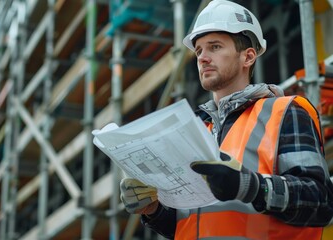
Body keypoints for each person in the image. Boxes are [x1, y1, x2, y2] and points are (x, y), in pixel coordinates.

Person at [120, 0, 333, 239]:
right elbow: (194, 225)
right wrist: (154, 210)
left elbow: (320, 202)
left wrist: (251, 186)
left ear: (248, 57)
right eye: (199, 50)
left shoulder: (284, 112)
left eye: (215, 47)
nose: (202, 57)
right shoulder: (198, 130)